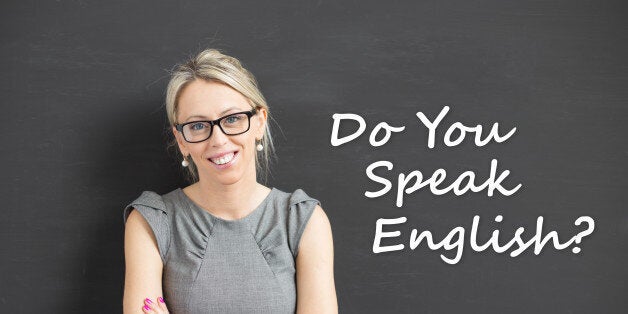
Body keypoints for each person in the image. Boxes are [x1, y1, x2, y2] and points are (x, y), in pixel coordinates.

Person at [122, 49, 337, 313]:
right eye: (198, 125)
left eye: (233, 119)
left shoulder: (304, 220)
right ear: (181, 141)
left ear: (259, 122)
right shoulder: (152, 222)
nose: (219, 140)